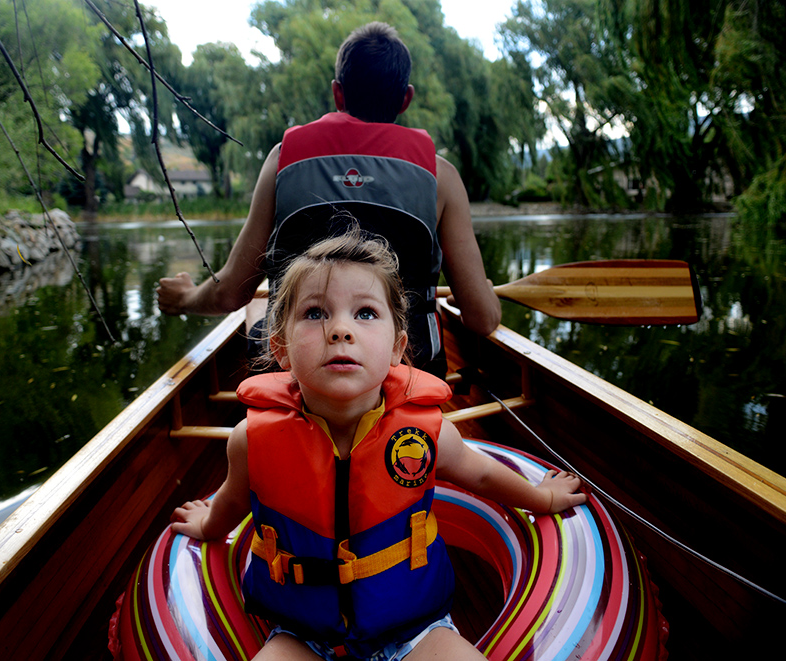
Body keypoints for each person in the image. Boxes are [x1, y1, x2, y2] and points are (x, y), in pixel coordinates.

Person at [170, 228, 586, 661]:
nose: (341, 330)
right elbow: (234, 501)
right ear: (281, 349)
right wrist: (207, 527)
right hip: (301, 634)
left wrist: (540, 498)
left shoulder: (426, 434)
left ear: (397, 346)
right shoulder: (250, 441)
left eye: (365, 313)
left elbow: (480, 472)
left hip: (415, 629)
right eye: (315, 313)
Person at [156, 22, 500, 375]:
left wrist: (184, 297)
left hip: (299, 377)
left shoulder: (282, 160)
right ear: (405, 99)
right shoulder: (440, 175)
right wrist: (482, 293)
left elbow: (230, 293)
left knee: (256, 309)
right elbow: (482, 318)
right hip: (405, 374)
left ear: (338, 93)